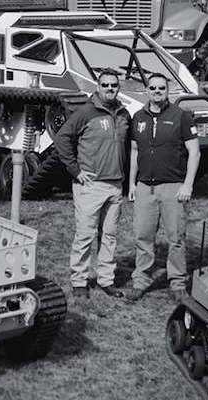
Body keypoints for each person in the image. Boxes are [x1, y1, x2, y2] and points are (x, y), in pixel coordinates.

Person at [55, 69, 131, 299]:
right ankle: (79, 281)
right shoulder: (86, 112)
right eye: (105, 85)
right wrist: (75, 170)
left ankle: (106, 280)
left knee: (109, 235)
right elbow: (62, 138)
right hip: (91, 185)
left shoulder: (123, 113)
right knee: (85, 235)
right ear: (97, 87)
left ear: (118, 88)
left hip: (115, 184)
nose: (110, 88)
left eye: (114, 85)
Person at [126, 73, 200, 302]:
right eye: (153, 88)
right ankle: (141, 281)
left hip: (173, 187)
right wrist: (131, 183)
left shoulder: (182, 117)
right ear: (146, 91)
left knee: (176, 237)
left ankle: (177, 282)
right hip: (144, 188)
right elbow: (135, 151)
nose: (157, 91)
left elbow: (194, 152)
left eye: (161, 88)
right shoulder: (137, 117)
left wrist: (187, 184)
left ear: (168, 91)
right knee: (143, 236)